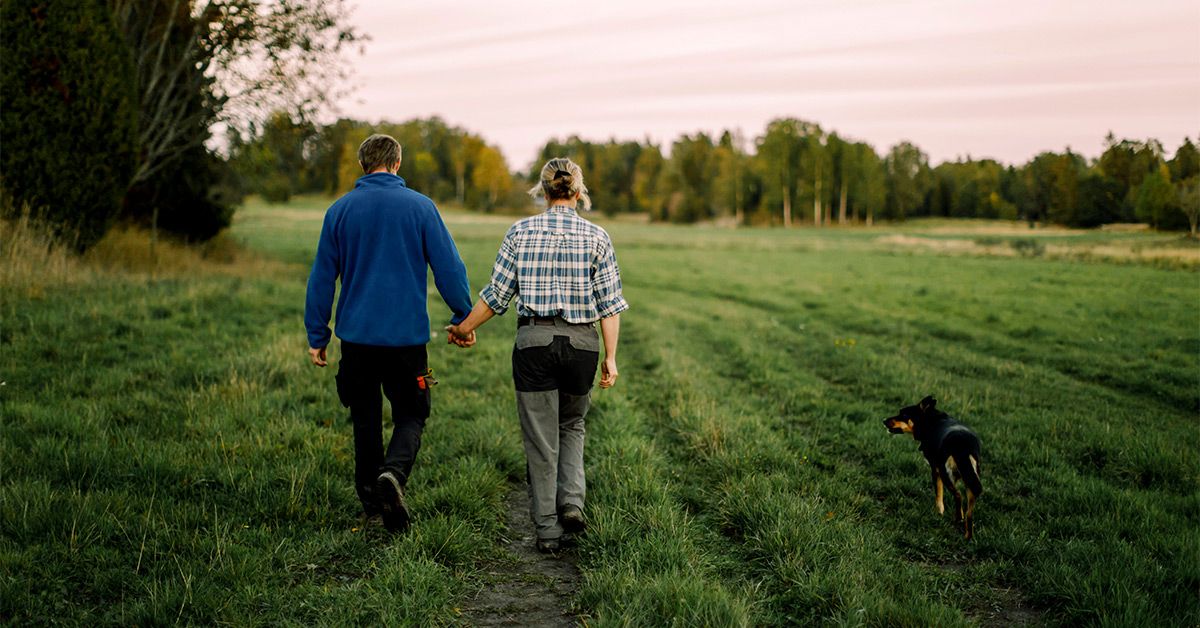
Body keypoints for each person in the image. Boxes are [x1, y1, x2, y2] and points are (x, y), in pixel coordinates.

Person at [447, 157, 629, 553]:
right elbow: (610, 305)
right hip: (583, 345)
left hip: (534, 343)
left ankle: (547, 530)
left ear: (543, 193)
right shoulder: (598, 237)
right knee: (572, 426)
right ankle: (572, 504)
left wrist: (464, 328)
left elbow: (495, 297)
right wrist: (610, 358)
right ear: (578, 193)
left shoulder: (520, 232)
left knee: (540, 439)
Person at [305, 133, 472, 533]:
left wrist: (317, 335)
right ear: (397, 163)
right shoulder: (421, 207)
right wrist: (463, 315)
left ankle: (373, 505)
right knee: (414, 411)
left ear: (364, 164)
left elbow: (321, 278)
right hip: (407, 343)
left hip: (356, 341)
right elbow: (448, 267)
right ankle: (393, 475)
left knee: (364, 418)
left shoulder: (339, 211)